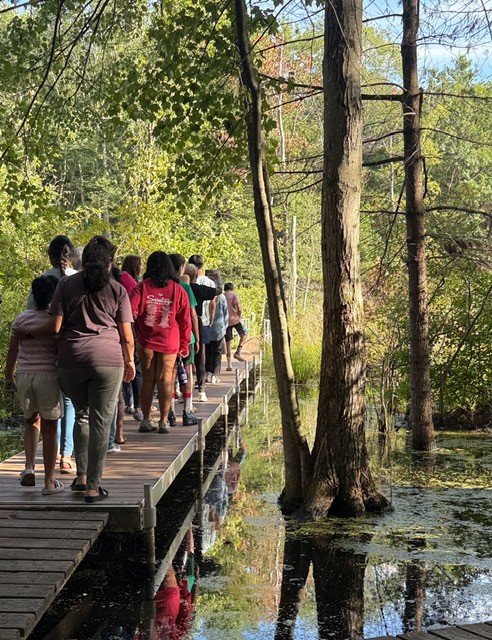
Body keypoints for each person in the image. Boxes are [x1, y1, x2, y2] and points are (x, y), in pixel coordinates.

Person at [19, 236, 136, 503]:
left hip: (71, 361)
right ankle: (94, 486)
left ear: (82, 261)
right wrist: (129, 360)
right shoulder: (117, 289)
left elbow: (56, 326)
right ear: (109, 262)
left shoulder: (65, 284)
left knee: (82, 414)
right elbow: (126, 335)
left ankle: (81, 477)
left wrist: (26, 331)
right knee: (100, 421)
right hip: (107, 361)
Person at [5, 275, 64, 494]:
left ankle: (29, 467)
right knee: (50, 427)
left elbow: (13, 351)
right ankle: (49, 482)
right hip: (47, 375)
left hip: (24, 375)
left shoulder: (22, 319)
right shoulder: (54, 321)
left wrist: (8, 377)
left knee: (31, 421)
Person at [28, 235, 78, 475]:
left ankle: (44, 460)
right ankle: (65, 456)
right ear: (72, 257)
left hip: (45, 349)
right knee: (68, 402)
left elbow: (32, 313)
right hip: (70, 347)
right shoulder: (76, 279)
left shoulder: (42, 281)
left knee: (50, 407)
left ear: (50, 255)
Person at [130, 251, 191, 434]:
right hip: (169, 342)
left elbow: (130, 313)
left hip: (146, 340)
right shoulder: (178, 290)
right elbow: (185, 320)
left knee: (147, 380)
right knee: (166, 381)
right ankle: (164, 421)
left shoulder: (141, 288)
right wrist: (185, 344)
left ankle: (147, 420)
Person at [169, 254, 199, 427]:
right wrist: (197, 336)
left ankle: (171, 413)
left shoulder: (163, 286)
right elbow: (192, 315)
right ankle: (187, 412)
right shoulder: (185, 288)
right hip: (186, 337)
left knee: (170, 375)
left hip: (169, 338)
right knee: (187, 373)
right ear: (180, 267)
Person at [188, 255, 216, 400]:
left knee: (185, 356)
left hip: (184, 323)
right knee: (201, 355)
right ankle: (201, 388)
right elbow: (214, 297)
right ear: (201, 268)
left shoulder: (180, 285)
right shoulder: (207, 283)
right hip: (201, 321)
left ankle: (182, 388)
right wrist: (212, 317)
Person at [120, 254, 144, 421]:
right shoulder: (130, 281)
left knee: (124, 364)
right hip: (130, 325)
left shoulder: (119, 277)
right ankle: (137, 405)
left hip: (120, 326)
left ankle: (128, 402)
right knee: (135, 364)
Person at [205, 270, 228, 384]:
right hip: (218, 329)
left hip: (207, 327)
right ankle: (215, 375)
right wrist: (225, 328)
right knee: (217, 353)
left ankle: (207, 374)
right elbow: (225, 314)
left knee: (207, 351)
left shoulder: (206, 295)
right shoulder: (222, 297)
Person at [223, 282, 247, 369]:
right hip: (235, 320)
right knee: (244, 334)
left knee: (227, 342)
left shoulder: (221, 296)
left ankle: (229, 365)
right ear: (232, 289)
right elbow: (239, 308)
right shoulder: (234, 296)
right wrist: (239, 315)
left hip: (225, 321)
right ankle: (238, 352)